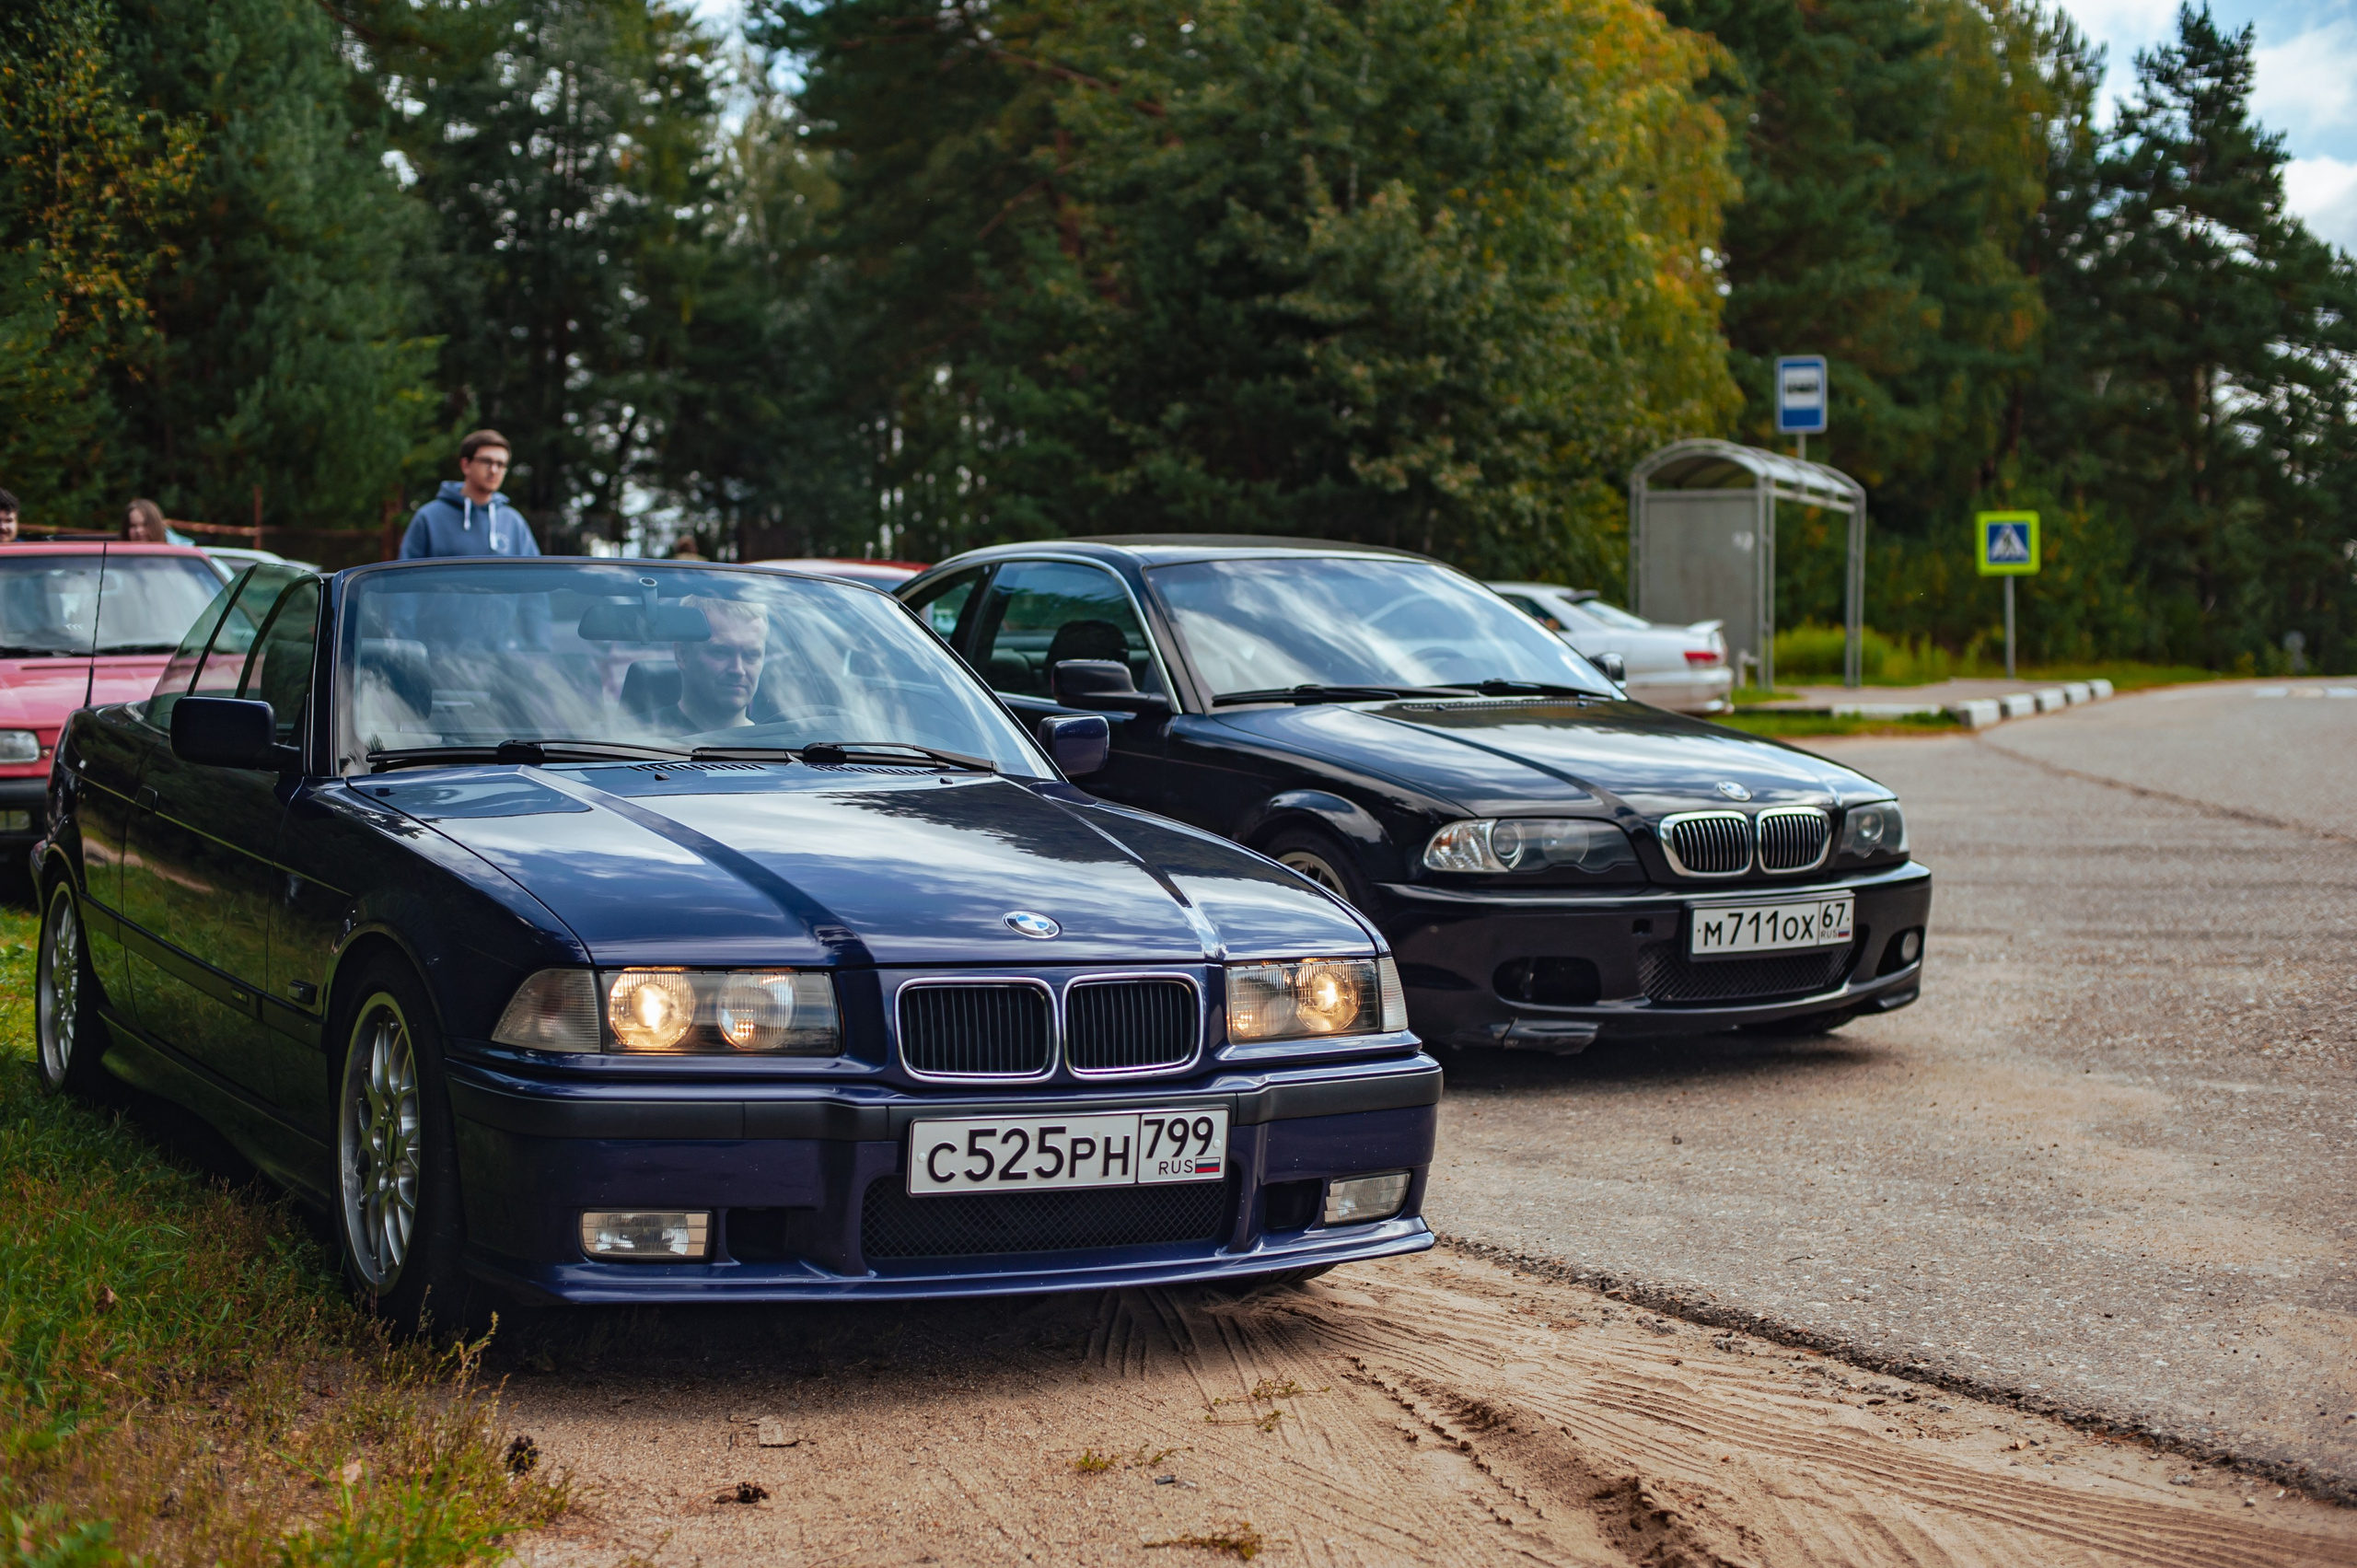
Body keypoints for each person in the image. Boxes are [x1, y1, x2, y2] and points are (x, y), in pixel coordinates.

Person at [400, 430, 540, 559]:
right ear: (465, 465)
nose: (494, 470)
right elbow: (408, 574)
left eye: (501, 464)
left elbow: (533, 574)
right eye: (487, 461)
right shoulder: (429, 517)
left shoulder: (513, 522)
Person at [646, 597, 767, 735]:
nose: (738, 670)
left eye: (752, 655)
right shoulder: (635, 739)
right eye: (721, 651)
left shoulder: (779, 743)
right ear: (682, 654)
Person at [124, 497, 193, 545]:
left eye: (145, 524)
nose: (138, 530)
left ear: (157, 524)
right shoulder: (120, 557)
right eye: (132, 526)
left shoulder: (185, 554)